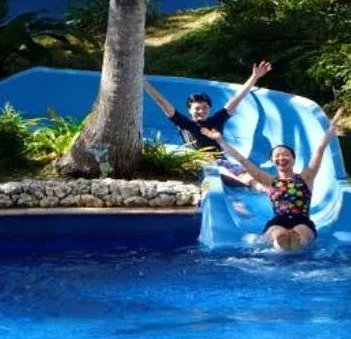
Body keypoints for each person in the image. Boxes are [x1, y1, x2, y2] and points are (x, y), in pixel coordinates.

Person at [204, 118, 339, 253]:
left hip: (302, 221)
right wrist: (220, 140)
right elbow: (242, 160)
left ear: (293, 159)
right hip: (278, 221)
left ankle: (294, 241)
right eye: (277, 155)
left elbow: (319, 151)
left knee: (302, 234)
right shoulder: (269, 181)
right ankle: (282, 242)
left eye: (286, 154)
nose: (281, 158)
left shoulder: (306, 177)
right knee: (276, 233)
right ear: (273, 161)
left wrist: (330, 130)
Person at [142, 60, 273, 155]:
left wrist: (254, 77)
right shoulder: (185, 124)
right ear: (190, 110)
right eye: (197, 108)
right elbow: (162, 102)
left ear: (209, 108)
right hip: (202, 163)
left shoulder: (217, 120)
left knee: (249, 179)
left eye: (205, 107)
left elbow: (237, 98)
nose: (201, 111)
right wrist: (145, 85)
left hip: (222, 162)